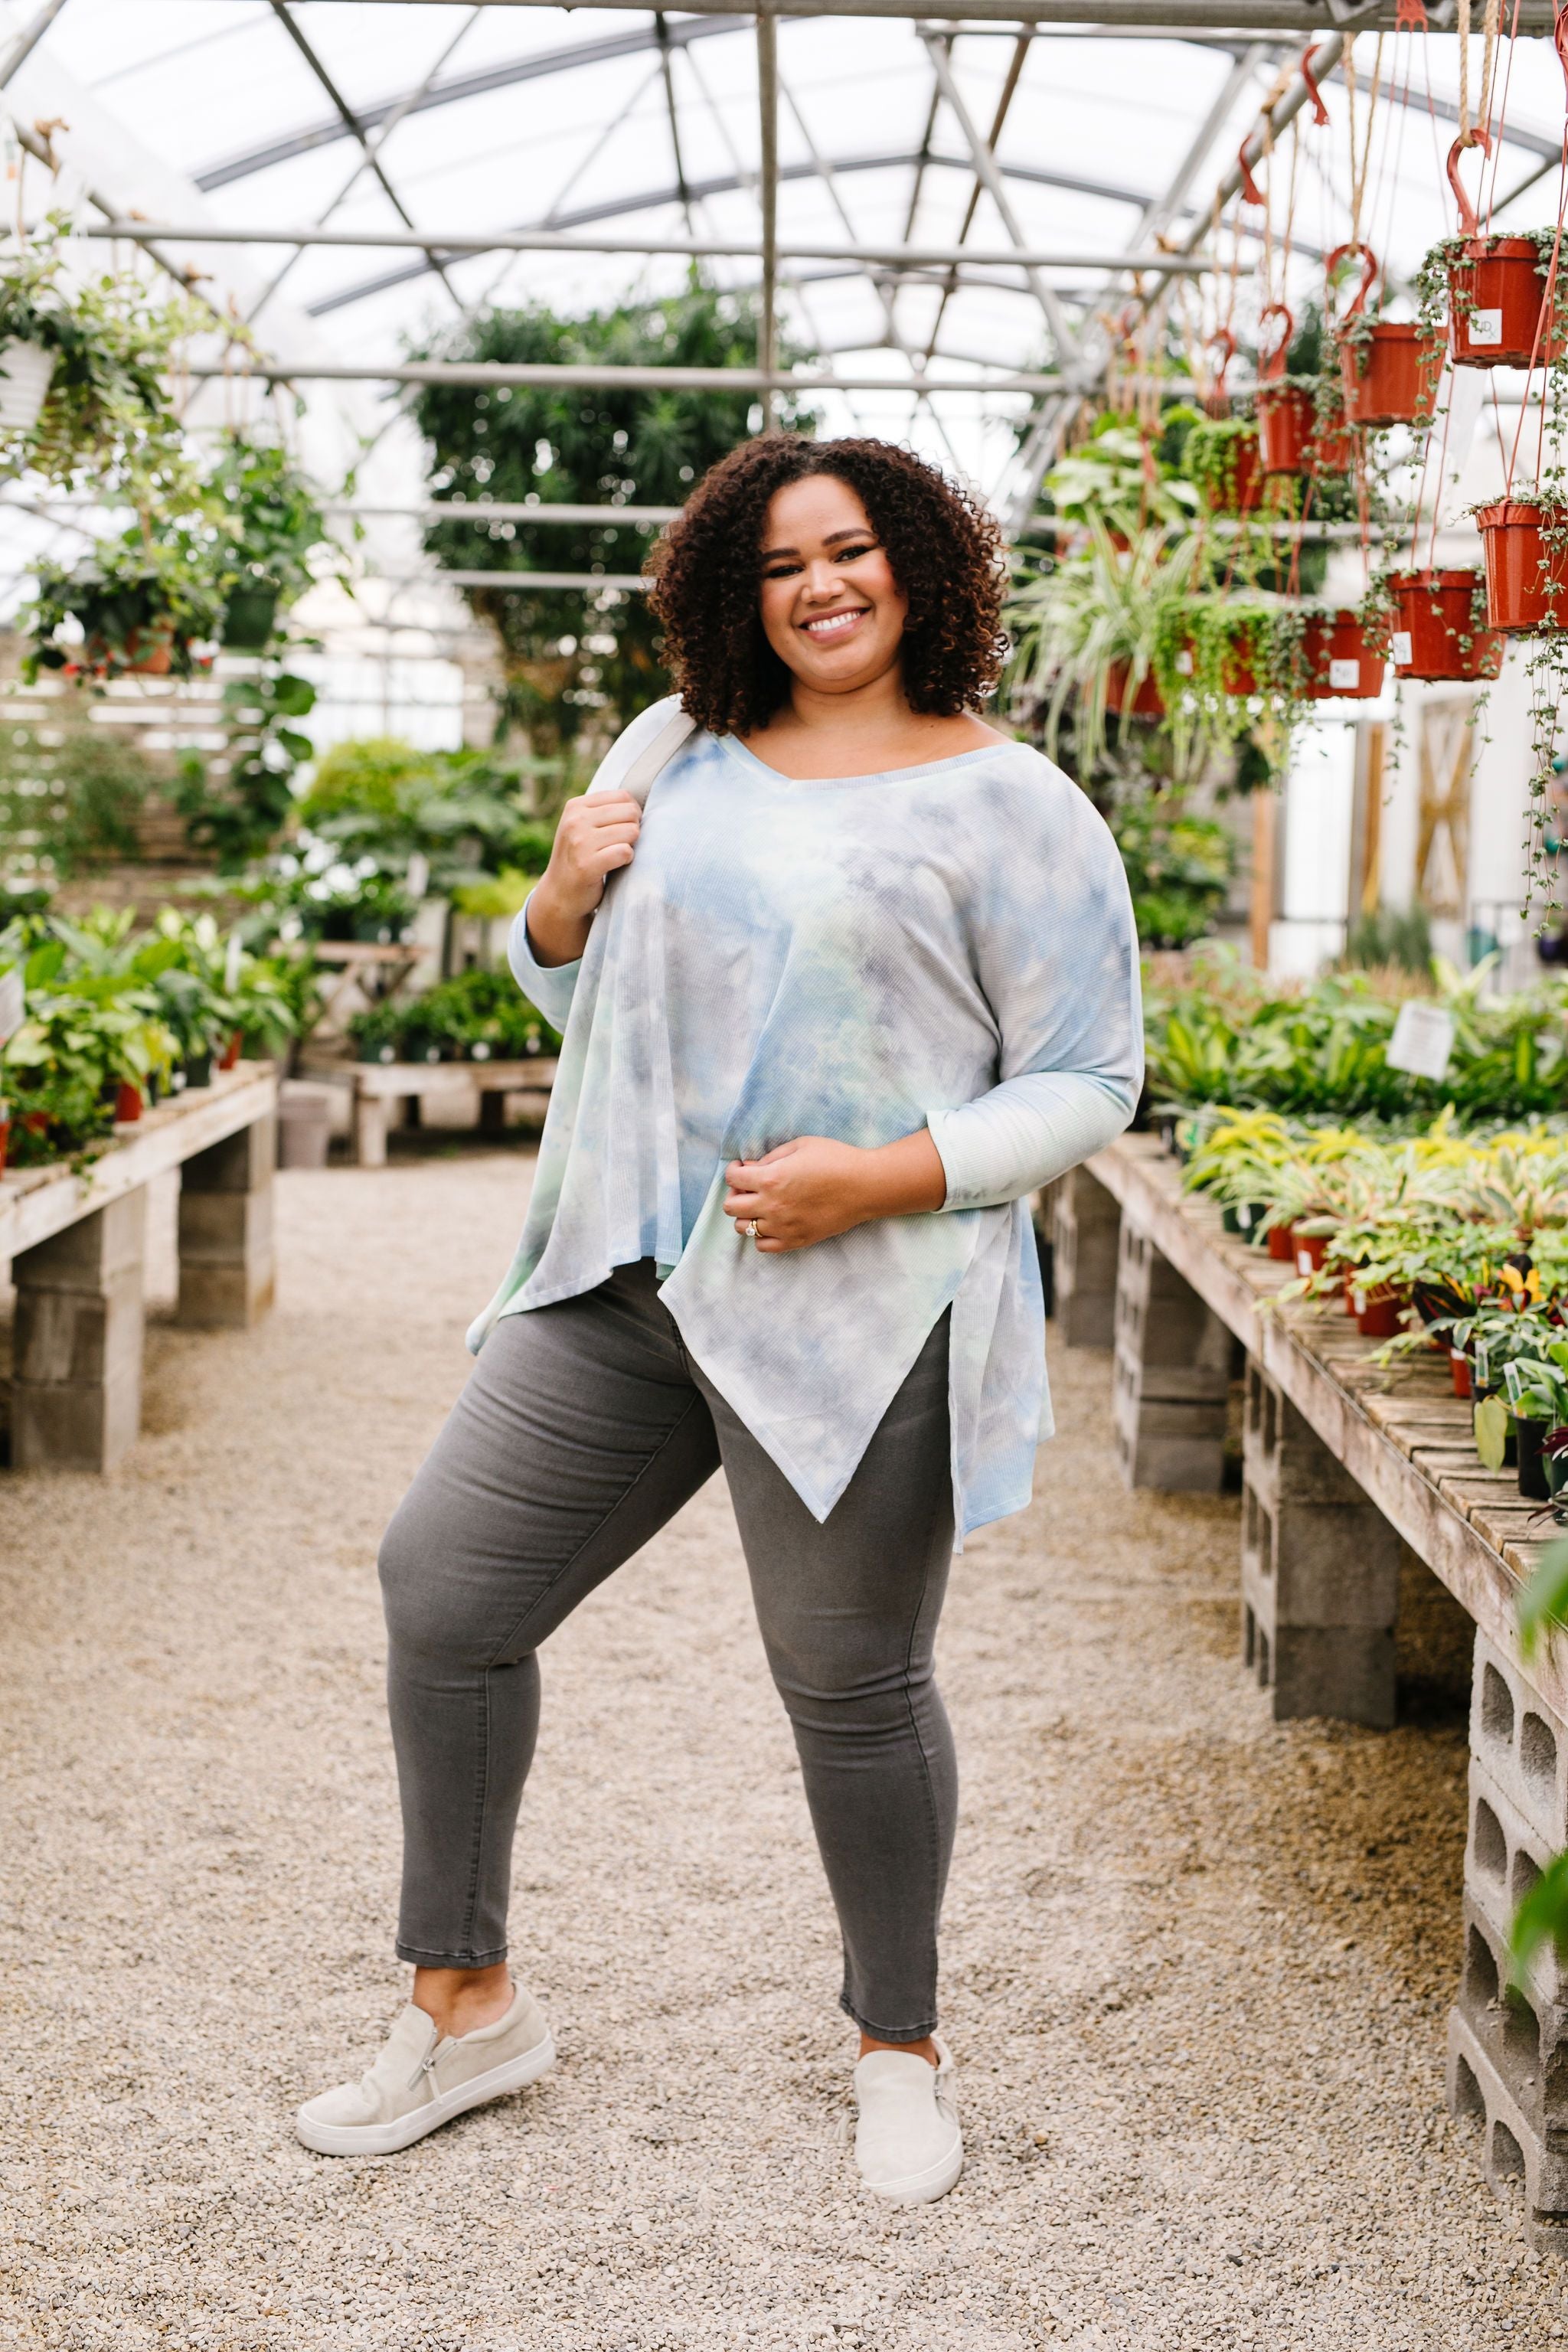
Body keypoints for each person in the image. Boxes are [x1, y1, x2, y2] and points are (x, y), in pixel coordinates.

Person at [296, 435, 1142, 2203]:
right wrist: (550, 898)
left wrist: (888, 1172)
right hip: (626, 1273)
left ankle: (897, 2048)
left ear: (917, 565)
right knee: (444, 1592)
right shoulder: (671, 747)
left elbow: (1087, 1082)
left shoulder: (1015, 805)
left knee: (849, 1686)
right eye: (779, 567)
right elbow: (575, 979)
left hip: (858, 1300)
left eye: (851, 552)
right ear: (730, 595)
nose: (821, 588)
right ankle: (466, 2009)